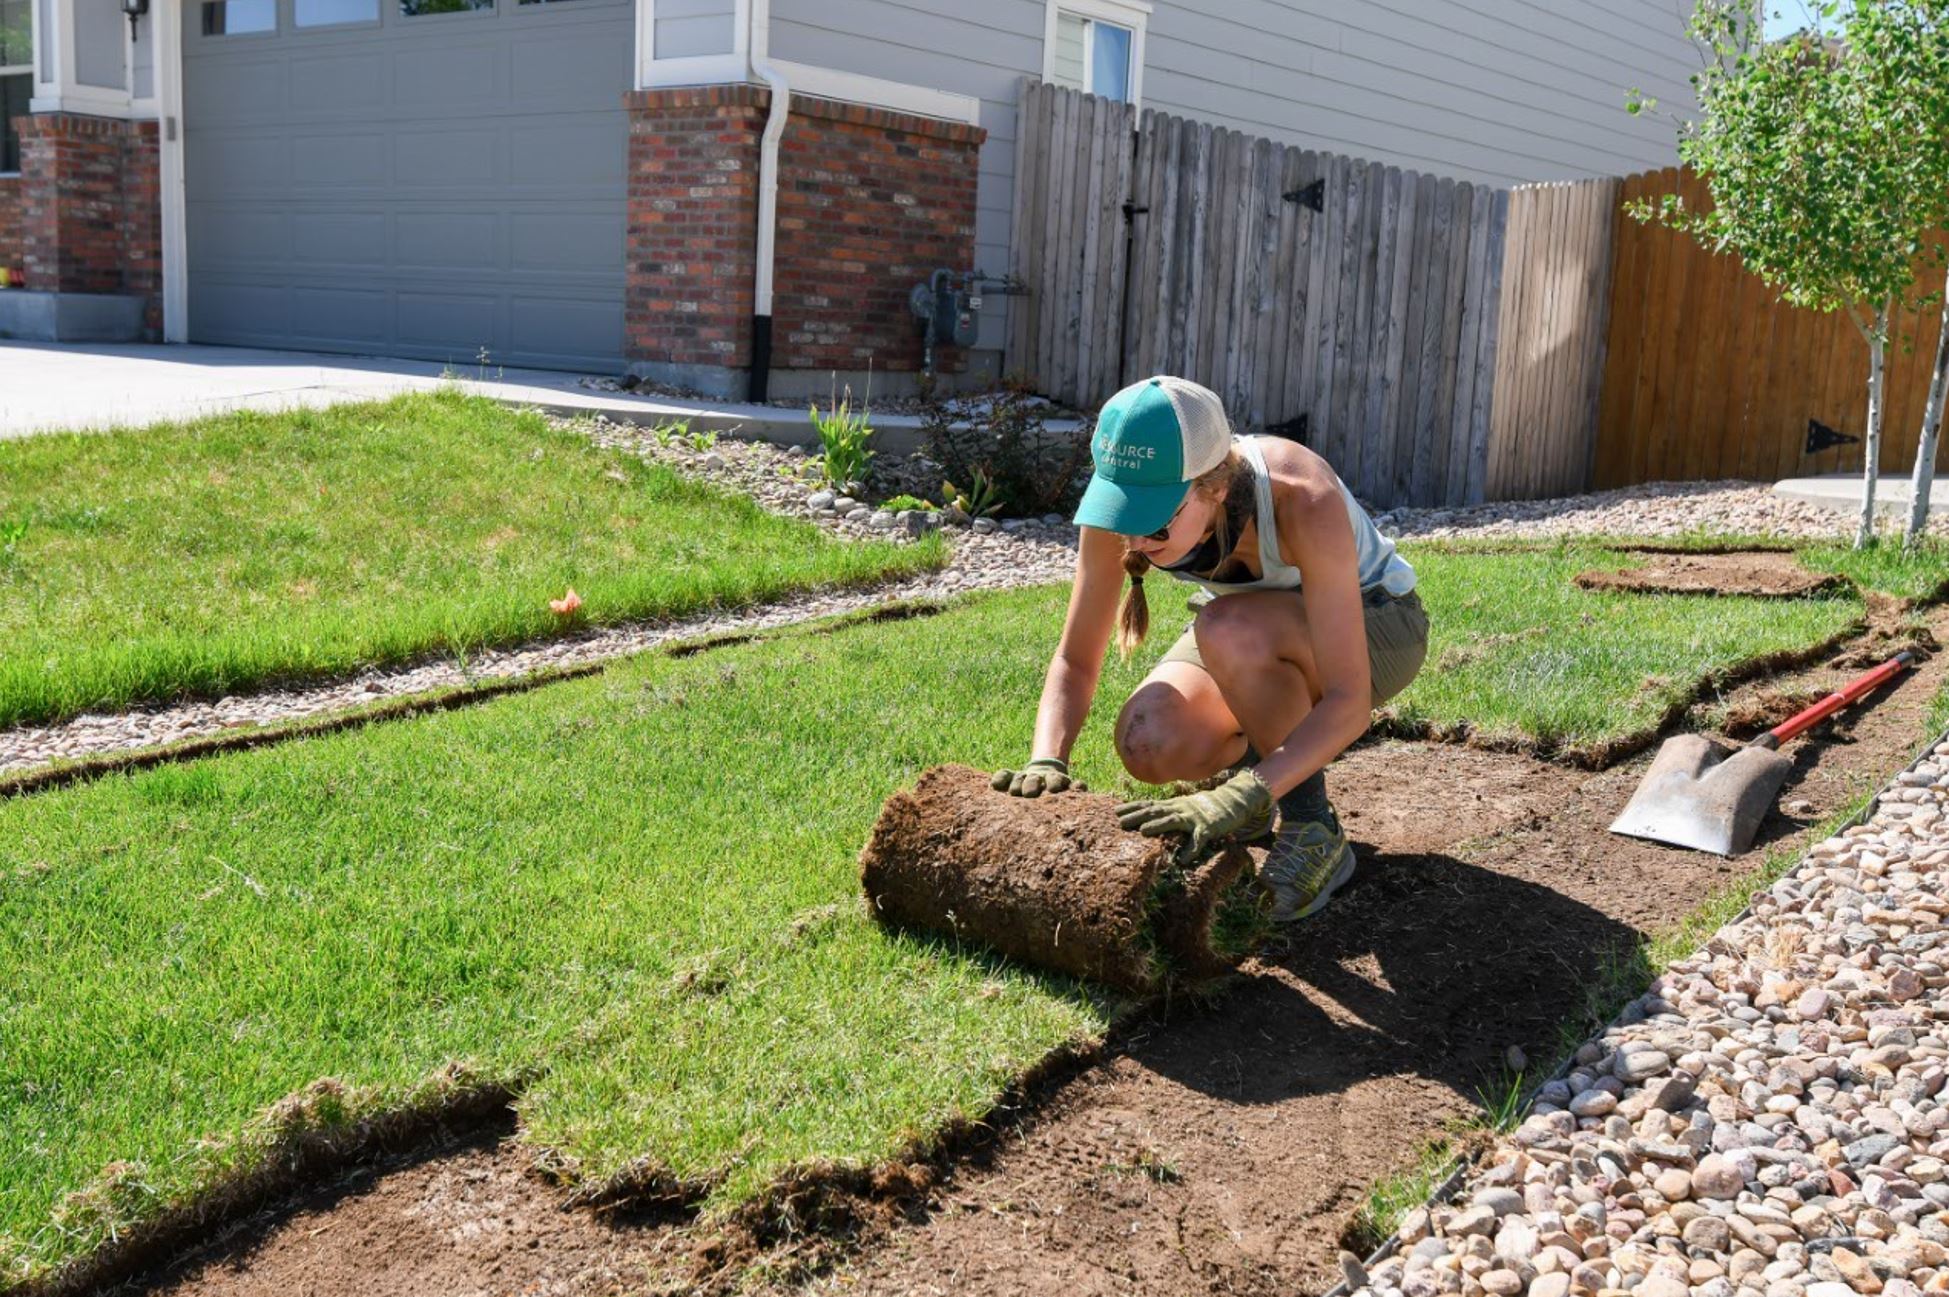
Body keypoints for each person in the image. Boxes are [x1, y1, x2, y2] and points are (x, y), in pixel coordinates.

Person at [992, 375, 1428, 921]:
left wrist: (1244, 791)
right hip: (1252, 632)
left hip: (1378, 628)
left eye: (1154, 521)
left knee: (1227, 628)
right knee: (1149, 741)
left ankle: (1312, 828)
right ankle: (1263, 783)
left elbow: (1349, 701)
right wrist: (1047, 757)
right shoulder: (1127, 509)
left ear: (1214, 487)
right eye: (1122, 512)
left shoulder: (1301, 497)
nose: (1133, 540)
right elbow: (1076, 659)